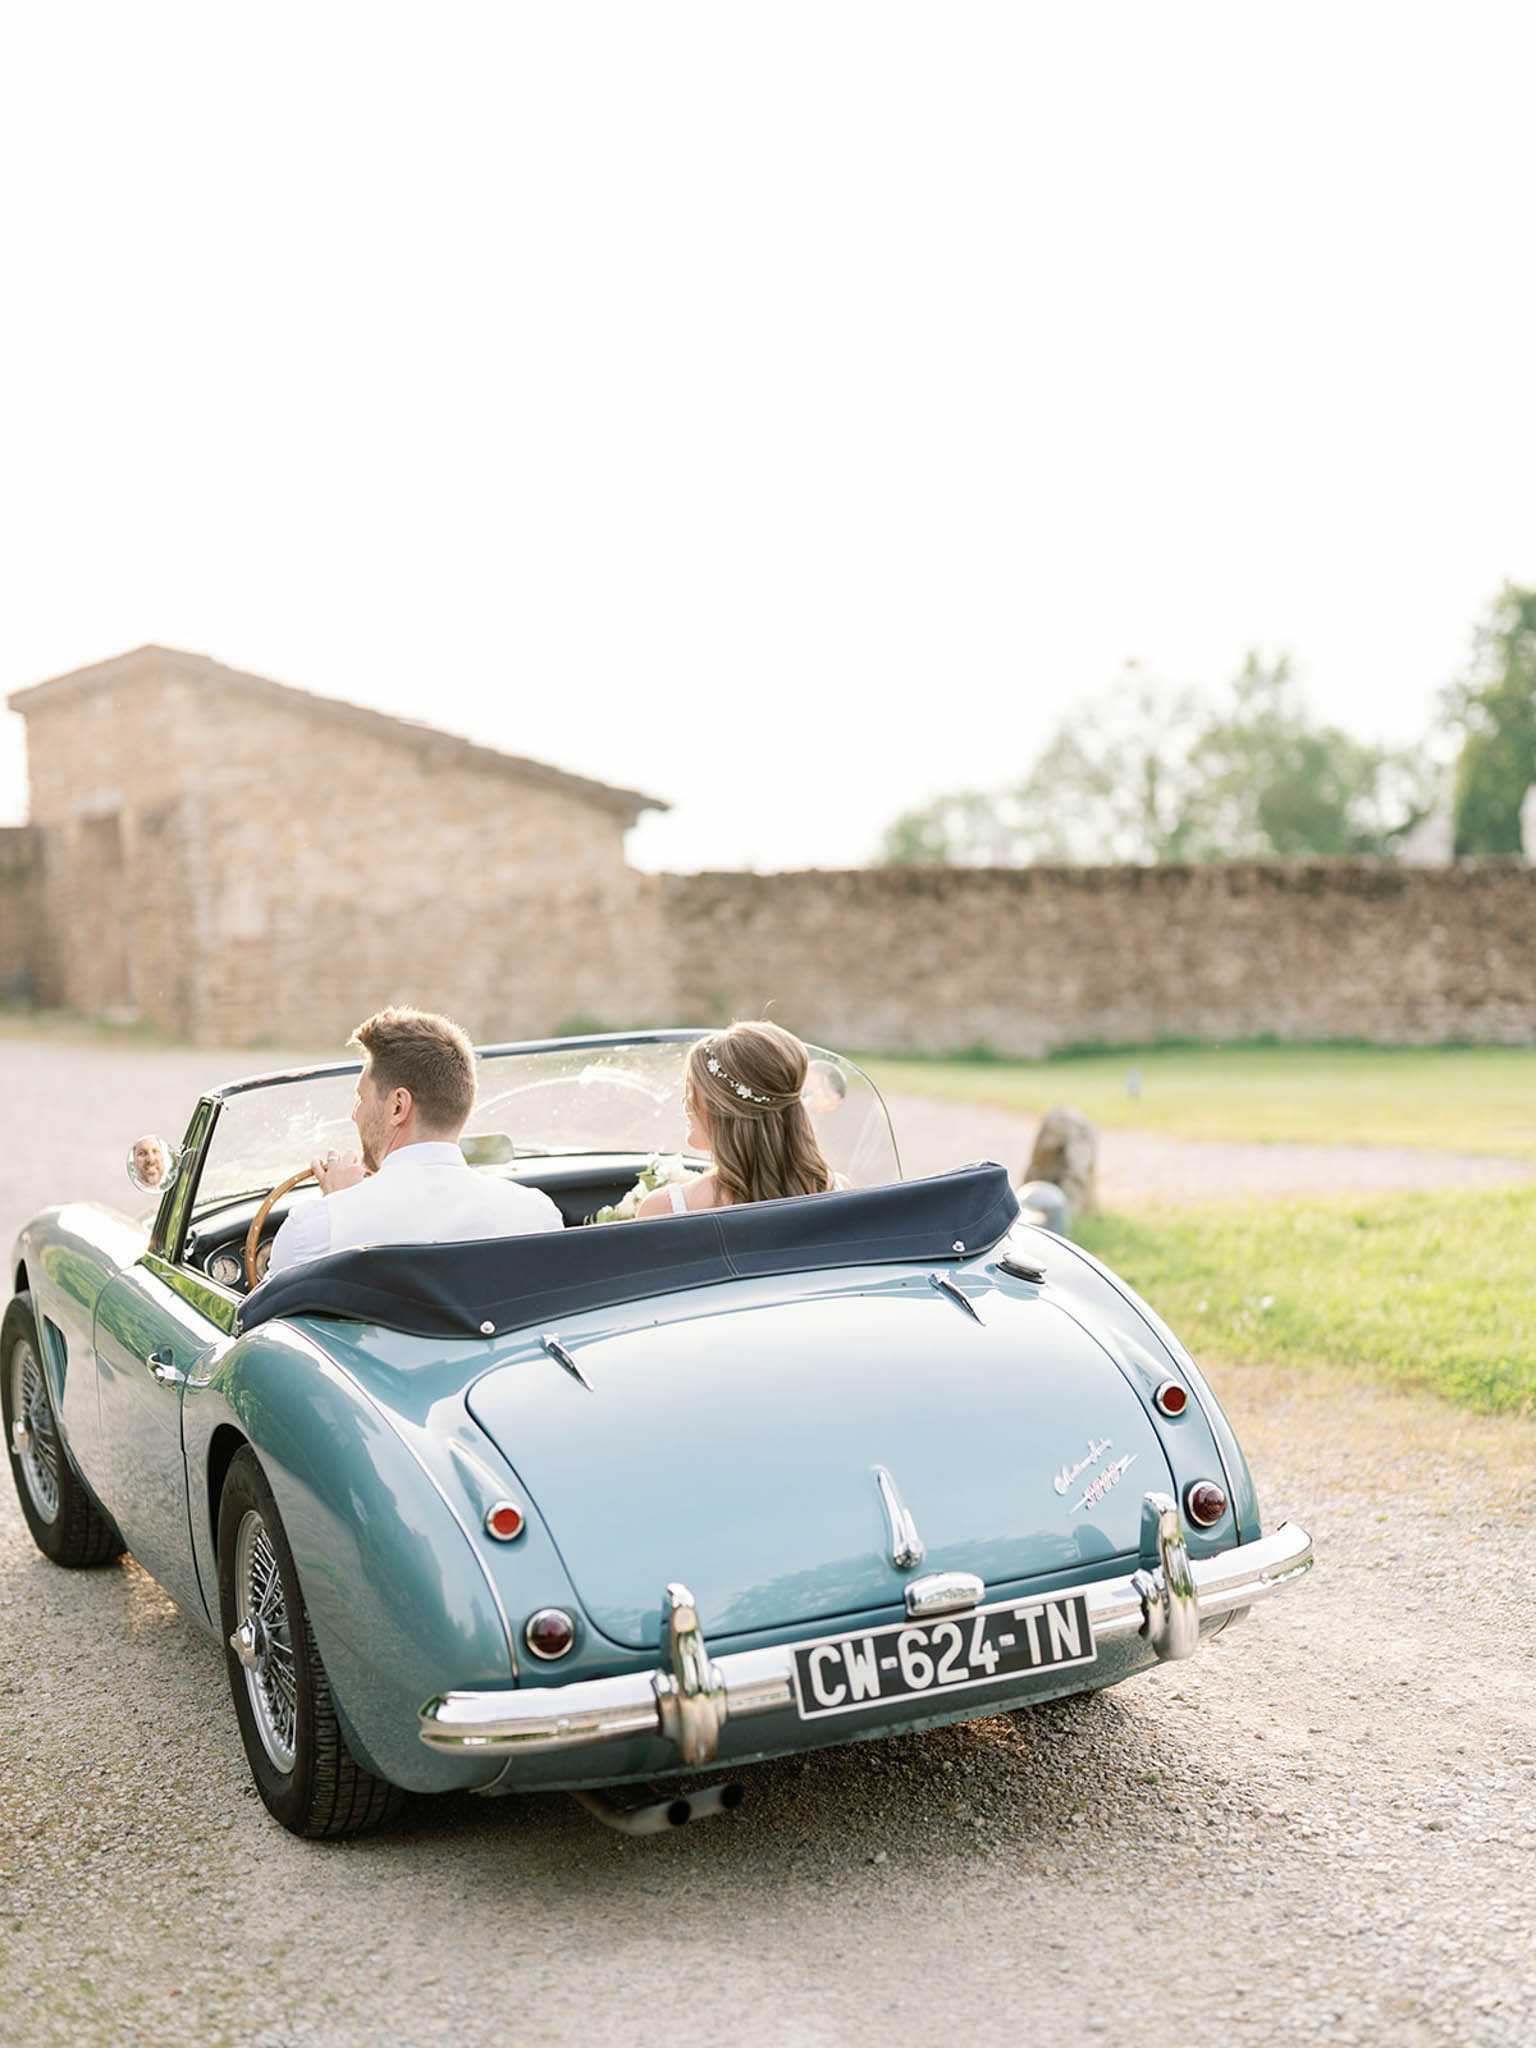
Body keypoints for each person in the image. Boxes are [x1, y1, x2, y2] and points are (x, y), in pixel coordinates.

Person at [266, 1005, 561, 1276]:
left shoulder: (315, 1230)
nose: (355, 1115)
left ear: (398, 1106)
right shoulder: (537, 1216)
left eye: (361, 1098)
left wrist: (338, 1206)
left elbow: (263, 1321)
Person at [635, 1021, 843, 1218]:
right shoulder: (840, 1194)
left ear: (723, 1108)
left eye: (692, 1089)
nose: (686, 1101)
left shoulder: (664, 1210)